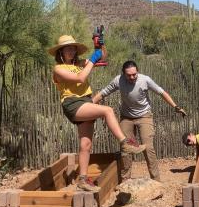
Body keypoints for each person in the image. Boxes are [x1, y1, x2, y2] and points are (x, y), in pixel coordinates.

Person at [49, 35, 146, 192]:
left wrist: (99, 46)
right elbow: (80, 78)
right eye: (67, 48)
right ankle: (125, 143)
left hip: (86, 101)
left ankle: (82, 179)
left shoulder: (80, 63)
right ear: (60, 52)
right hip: (73, 103)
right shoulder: (59, 69)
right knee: (107, 111)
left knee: (86, 145)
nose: (71, 51)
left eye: (73, 48)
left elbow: (102, 57)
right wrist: (92, 59)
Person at [93, 60, 187, 181]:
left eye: (134, 74)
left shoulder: (145, 80)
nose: (132, 77)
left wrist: (175, 107)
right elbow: (102, 93)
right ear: (123, 74)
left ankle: (156, 180)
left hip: (144, 116)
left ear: (137, 72)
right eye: (129, 75)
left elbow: (161, 92)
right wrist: (88, 105)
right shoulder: (118, 80)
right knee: (126, 147)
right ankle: (125, 180)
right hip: (127, 117)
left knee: (148, 147)